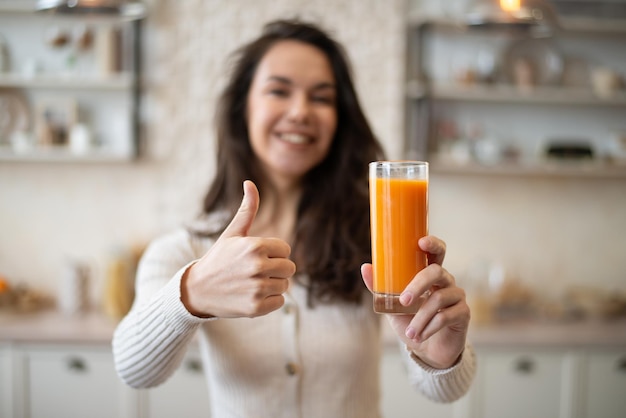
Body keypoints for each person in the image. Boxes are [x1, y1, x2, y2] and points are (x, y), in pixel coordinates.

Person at [112, 18, 475, 418]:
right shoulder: (187, 250)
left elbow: (445, 392)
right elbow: (134, 370)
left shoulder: (377, 239)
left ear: (340, 119)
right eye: (279, 91)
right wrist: (192, 292)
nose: (301, 112)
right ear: (243, 109)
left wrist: (440, 357)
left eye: (321, 98)